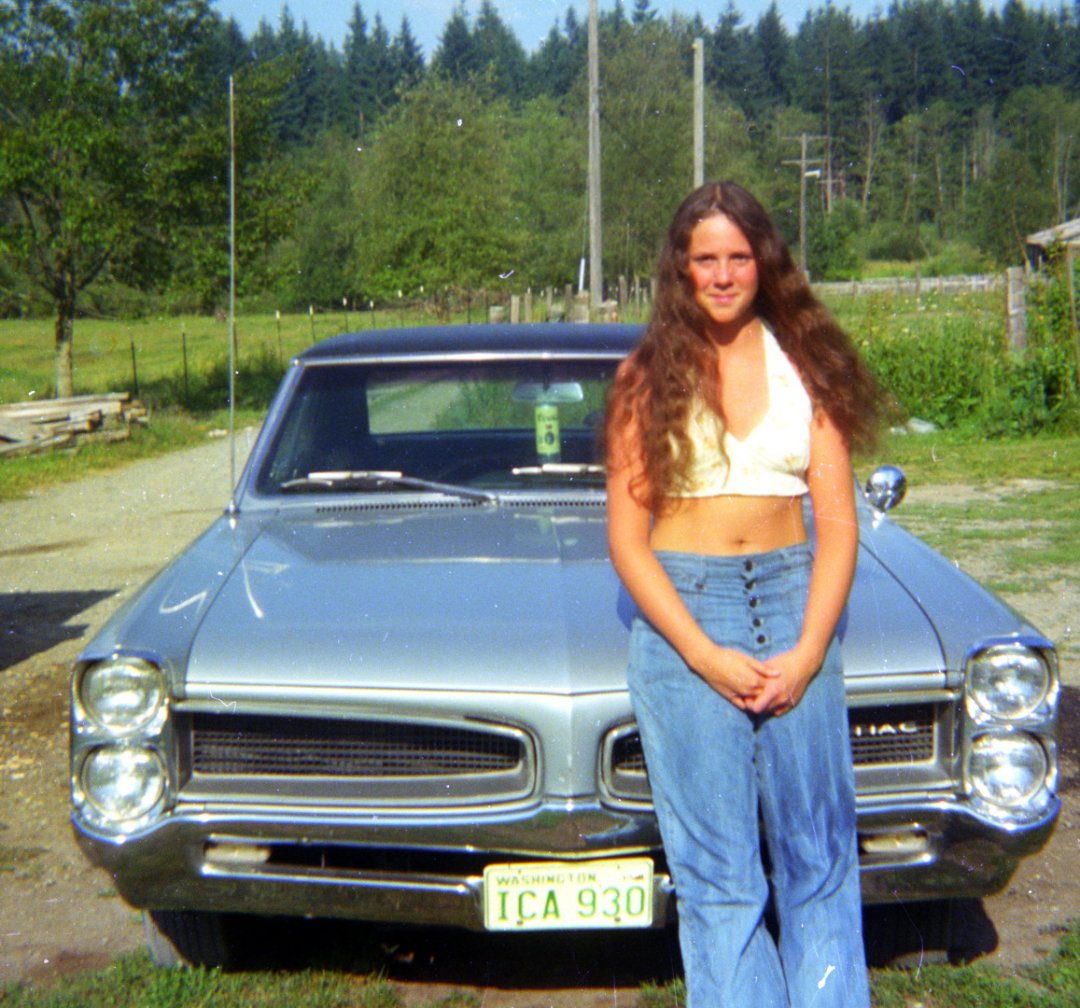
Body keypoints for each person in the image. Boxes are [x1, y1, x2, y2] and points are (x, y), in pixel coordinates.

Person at [604, 181, 883, 1007]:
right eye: (705, 260)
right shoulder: (645, 376)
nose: (723, 275)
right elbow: (626, 540)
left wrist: (805, 653)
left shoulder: (811, 367)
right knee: (720, 877)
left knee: (819, 860)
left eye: (738, 257)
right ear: (680, 270)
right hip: (689, 618)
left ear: (764, 263)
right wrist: (703, 653)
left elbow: (837, 527)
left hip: (797, 604)